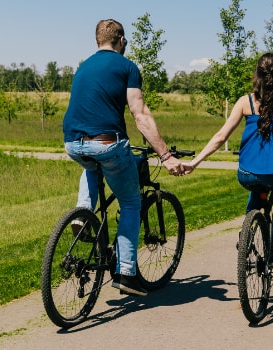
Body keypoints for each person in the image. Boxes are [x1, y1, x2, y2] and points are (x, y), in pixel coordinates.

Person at [63, 19, 185, 297]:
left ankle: (83, 212)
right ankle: (127, 273)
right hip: (107, 144)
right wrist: (164, 155)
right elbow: (139, 113)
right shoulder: (127, 67)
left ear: (97, 41)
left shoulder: (82, 67)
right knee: (131, 202)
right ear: (121, 40)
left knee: (91, 165)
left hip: (73, 142)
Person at [183, 52, 273, 277]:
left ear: (257, 75)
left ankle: (247, 236)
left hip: (246, 174)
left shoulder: (246, 101)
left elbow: (221, 136)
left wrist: (194, 162)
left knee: (257, 186)